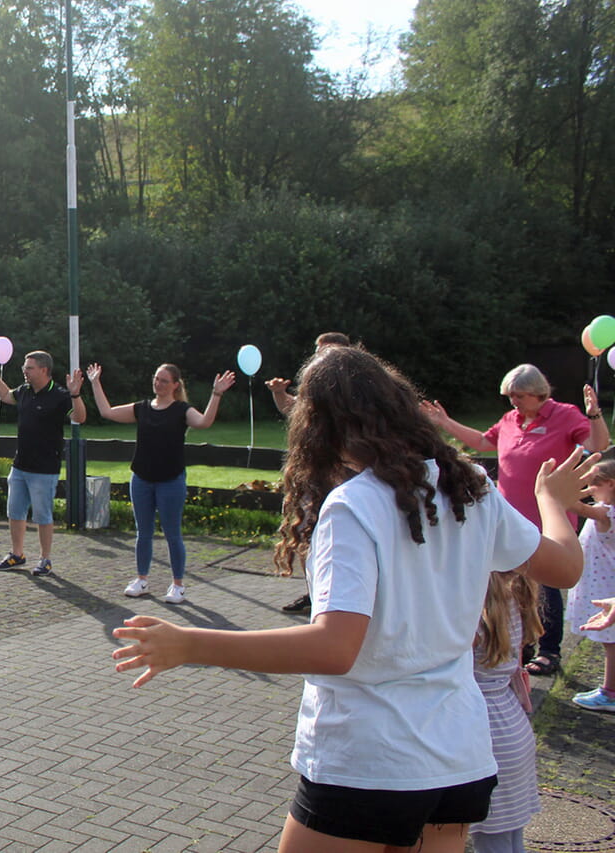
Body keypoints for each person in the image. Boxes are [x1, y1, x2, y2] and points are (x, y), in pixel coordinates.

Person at [112, 345, 589, 853]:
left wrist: (192, 644)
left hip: (369, 762)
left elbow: (336, 648)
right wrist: (550, 503)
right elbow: (566, 566)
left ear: (318, 427)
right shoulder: (470, 485)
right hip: (459, 761)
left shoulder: (353, 505)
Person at [423, 364, 610, 676]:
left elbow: (598, 445)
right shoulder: (511, 420)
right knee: (509, 587)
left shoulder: (563, 415)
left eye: (520, 396)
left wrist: (594, 415)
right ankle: (519, 648)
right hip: (509, 519)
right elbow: (484, 442)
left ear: (539, 393)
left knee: (546, 587)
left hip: (546, 520)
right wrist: (444, 422)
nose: (514, 402)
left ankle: (550, 651)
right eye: (510, 396)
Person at [87, 361, 236, 603]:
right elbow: (107, 412)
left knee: (172, 533)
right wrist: (95, 383)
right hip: (142, 479)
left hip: (171, 480)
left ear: (175, 385)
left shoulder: (181, 410)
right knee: (142, 533)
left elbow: (204, 422)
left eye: (164, 380)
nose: (158, 383)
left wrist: (216, 393)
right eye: (156, 378)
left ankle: (178, 584)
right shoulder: (142, 408)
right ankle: (141, 579)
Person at [265, 331, 351, 613]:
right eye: (318, 350)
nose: (319, 356)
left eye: (327, 351)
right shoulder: (311, 388)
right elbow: (292, 409)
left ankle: (346, 597)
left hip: (346, 478)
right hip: (313, 476)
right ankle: (314, 593)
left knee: (345, 536)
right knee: (304, 532)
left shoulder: (357, 390)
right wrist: (279, 393)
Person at [0, 348, 86, 577]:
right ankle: (17, 554)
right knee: (15, 512)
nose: (24, 372)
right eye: (24, 368)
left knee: (43, 516)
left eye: (29, 368)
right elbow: (5, 395)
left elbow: (79, 418)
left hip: (45, 469)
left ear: (44, 370)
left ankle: (45, 559)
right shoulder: (25, 391)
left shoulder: (59, 394)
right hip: (20, 466)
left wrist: (76, 395)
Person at [469, 572, 545, 852]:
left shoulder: (472, 615)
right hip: (512, 723)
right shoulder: (511, 597)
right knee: (510, 836)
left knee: (492, 839)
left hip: (486, 734)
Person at [568, 459, 615, 712]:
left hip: (607, 587)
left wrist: (559, 492)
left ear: (609, 484)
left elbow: (575, 507)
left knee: (611, 643)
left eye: (592, 484)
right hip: (606, 582)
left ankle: (610, 692)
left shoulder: (607, 512)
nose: (588, 488)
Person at [265, 331, 351, 417]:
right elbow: (292, 408)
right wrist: (279, 392)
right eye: (318, 354)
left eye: (326, 353)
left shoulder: (357, 381)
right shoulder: (316, 382)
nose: (321, 358)